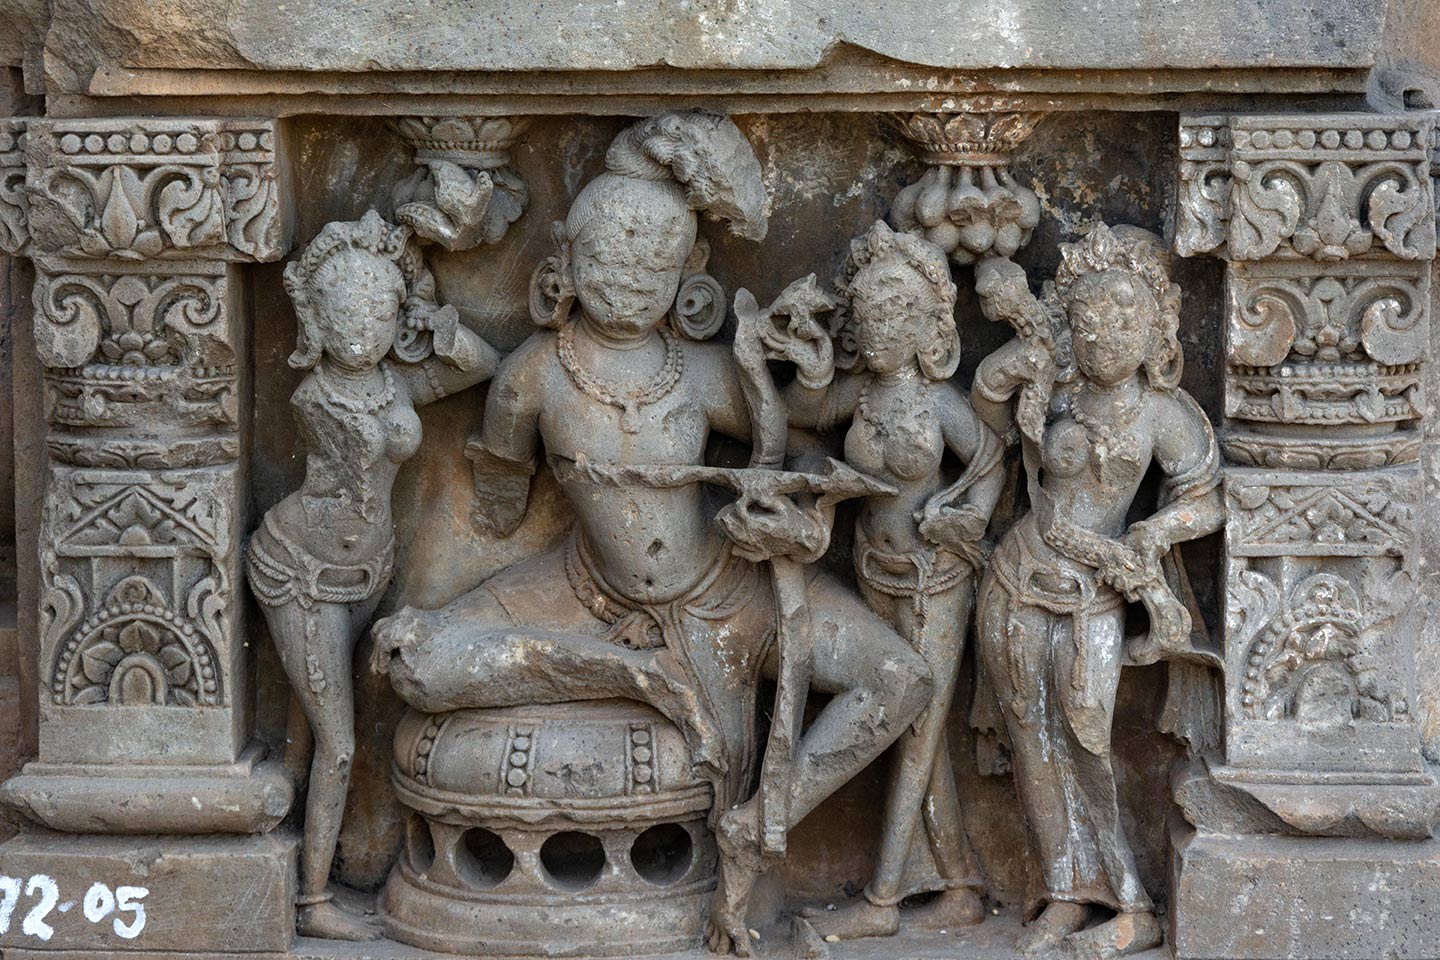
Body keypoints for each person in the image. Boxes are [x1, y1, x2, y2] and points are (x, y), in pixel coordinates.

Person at [370, 112, 934, 957]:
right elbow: (497, 508)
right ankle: (628, 675)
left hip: (729, 593)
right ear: (566, 263)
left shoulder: (700, 372)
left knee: (900, 678)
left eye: (652, 267)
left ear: (687, 273)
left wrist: (792, 503)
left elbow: (799, 448)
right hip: (584, 595)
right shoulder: (532, 378)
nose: (630, 285)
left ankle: (759, 821)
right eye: (609, 262)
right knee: (415, 658)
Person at [970, 224, 1222, 960]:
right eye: (1087, 318)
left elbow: (1207, 496)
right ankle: (1064, 892)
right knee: (1031, 742)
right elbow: (987, 420)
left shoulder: (1161, 413)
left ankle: (1133, 904)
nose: (1104, 334)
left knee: (1085, 738)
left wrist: (1155, 532)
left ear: (1156, 329)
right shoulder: (1057, 393)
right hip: (1017, 579)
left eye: (1123, 317)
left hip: (1094, 594)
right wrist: (1012, 368)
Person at [246, 211, 500, 940]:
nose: (360, 326)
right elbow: (363, 451)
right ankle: (312, 901)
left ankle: (286, 862)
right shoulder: (319, 397)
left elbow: (481, 365)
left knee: (308, 729)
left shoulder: (392, 383)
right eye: (343, 309)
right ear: (316, 320)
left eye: (376, 309)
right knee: (339, 742)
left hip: (365, 570)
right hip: (302, 573)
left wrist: (434, 325)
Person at [782, 222, 1004, 939]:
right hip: (874, 572)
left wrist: (967, 514)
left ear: (929, 327)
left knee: (916, 732)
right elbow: (801, 416)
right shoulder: (861, 395)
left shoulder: (937, 403)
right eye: (869, 315)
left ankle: (882, 900)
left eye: (897, 314)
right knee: (906, 727)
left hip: (933, 580)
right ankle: (959, 883)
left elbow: (990, 459)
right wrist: (808, 360)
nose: (881, 330)